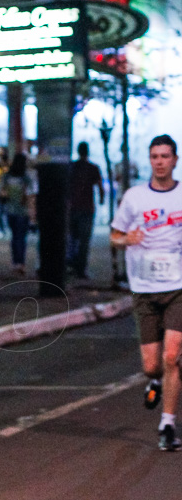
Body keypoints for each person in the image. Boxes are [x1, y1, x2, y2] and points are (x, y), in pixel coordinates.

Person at [110, 134, 182, 451]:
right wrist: (129, 239)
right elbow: (115, 234)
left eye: (165, 156)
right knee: (151, 365)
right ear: (150, 160)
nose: (160, 162)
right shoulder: (135, 198)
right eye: (155, 156)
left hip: (178, 287)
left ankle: (167, 424)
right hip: (144, 288)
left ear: (175, 160)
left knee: (171, 356)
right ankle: (154, 381)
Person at [68, 141, 105, 280]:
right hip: (87, 208)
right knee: (84, 240)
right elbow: (100, 186)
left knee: (72, 239)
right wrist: (101, 199)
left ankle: (72, 265)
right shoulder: (93, 168)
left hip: (73, 207)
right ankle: (80, 269)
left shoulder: (72, 167)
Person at [0, 152, 34, 276]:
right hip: (23, 211)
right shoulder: (25, 178)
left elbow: (2, 192)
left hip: (10, 211)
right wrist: (32, 213)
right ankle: (21, 263)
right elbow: (30, 196)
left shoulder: (7, 176)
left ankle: (15, 262)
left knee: (15, 237)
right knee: (22, 238)